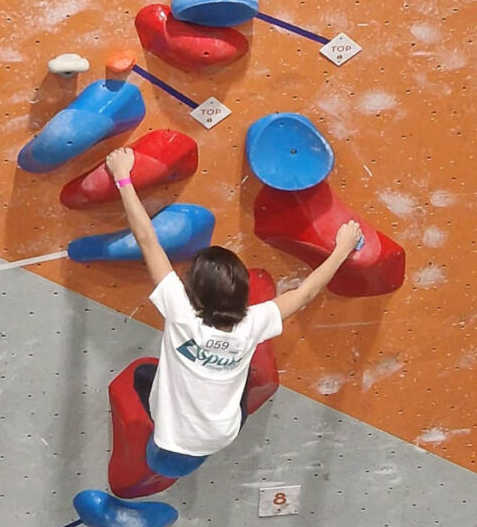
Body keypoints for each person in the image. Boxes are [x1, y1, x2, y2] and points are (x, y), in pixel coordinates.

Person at [105, 147, 361, 476]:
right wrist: (343, 248)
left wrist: (122, 176)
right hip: (219, 434)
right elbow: (306, 292)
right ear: (242, 295)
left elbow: (146, 238)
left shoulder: (183, 313)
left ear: (192, 291)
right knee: (150, 376)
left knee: (144, 377)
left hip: (200, 438)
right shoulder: (249, 322)